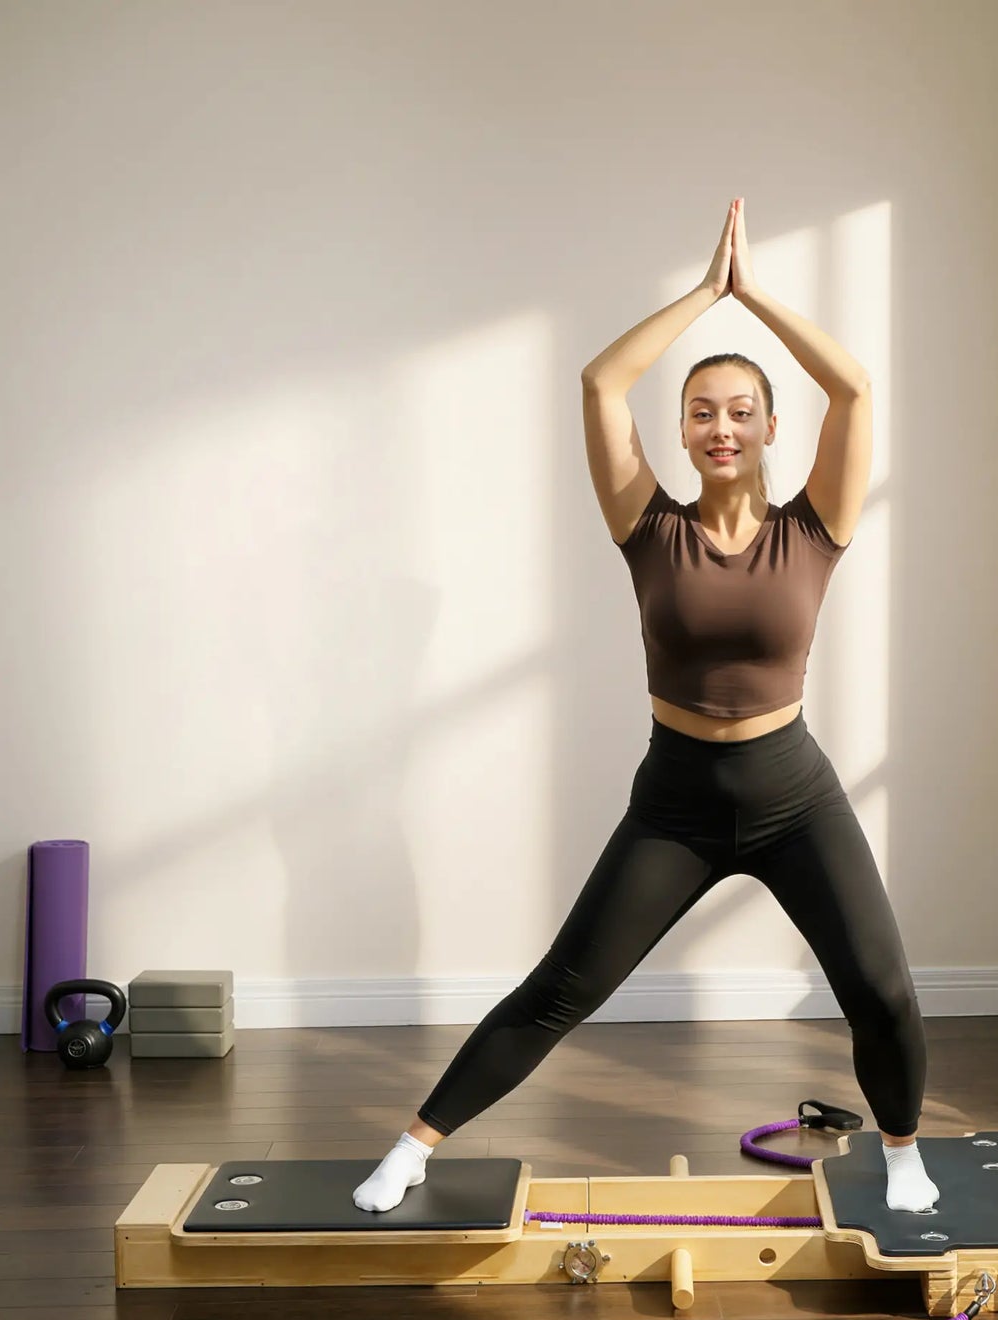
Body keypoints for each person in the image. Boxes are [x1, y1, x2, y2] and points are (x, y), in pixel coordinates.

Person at [353, 198, 938, 1215]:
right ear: (680, 427)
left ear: (766, 427)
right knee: (560, 989)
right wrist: (703, 295)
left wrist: (755, 298)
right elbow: (598, 380)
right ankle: (412, 1146)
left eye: (740, 410)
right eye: (700, 409)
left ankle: (899, 1153)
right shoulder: (645, 524)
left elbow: (853, 384)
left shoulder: (815, 522)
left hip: (792, 792)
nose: (720, 425)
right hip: (676, 798)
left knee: (881, 989)